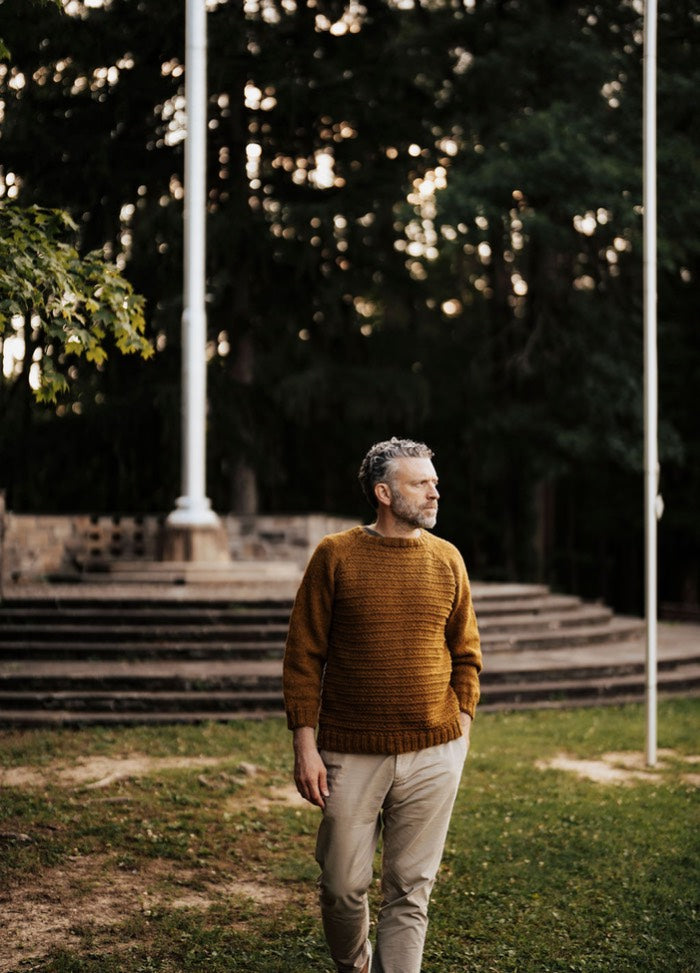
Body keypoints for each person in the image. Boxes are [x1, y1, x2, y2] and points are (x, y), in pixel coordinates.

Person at [283, 436, 482, 973]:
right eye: (422, 483)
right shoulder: (336, 555)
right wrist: (306, 746)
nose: (435, 492)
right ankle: (355, 965)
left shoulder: (448, 560)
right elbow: (304, 656)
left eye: (434, 482)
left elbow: (467, 653)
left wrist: (460, 724)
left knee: (410, 890)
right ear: (384, 493)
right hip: (350, 752)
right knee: (342, 886)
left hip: (436, 751)